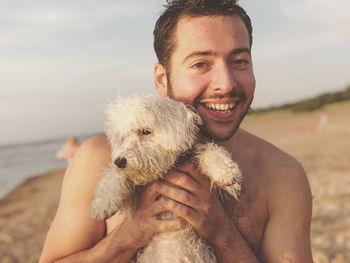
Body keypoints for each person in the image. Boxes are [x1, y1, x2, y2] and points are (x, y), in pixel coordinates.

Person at [39, 0, 313, 262]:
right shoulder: (98, 158)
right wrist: (129, 235)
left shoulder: (282, 174)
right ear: (162, 79)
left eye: (239, 61)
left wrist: (222, 233)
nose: (226, 83)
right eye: (200, 64)